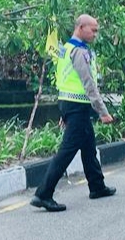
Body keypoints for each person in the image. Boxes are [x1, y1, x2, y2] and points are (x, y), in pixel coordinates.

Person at [30, 14, 116, 212]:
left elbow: (63, 80)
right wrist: (102, 112)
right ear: (81, 28)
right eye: (93, 30)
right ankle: (43, 193)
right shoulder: (78, 51)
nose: (95, 34)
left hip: (71, 104)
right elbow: (89, 84)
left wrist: (64, 110)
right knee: (67, 151)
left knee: (88, 147)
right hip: (77, 106)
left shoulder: (66, 48)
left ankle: (97, 186)